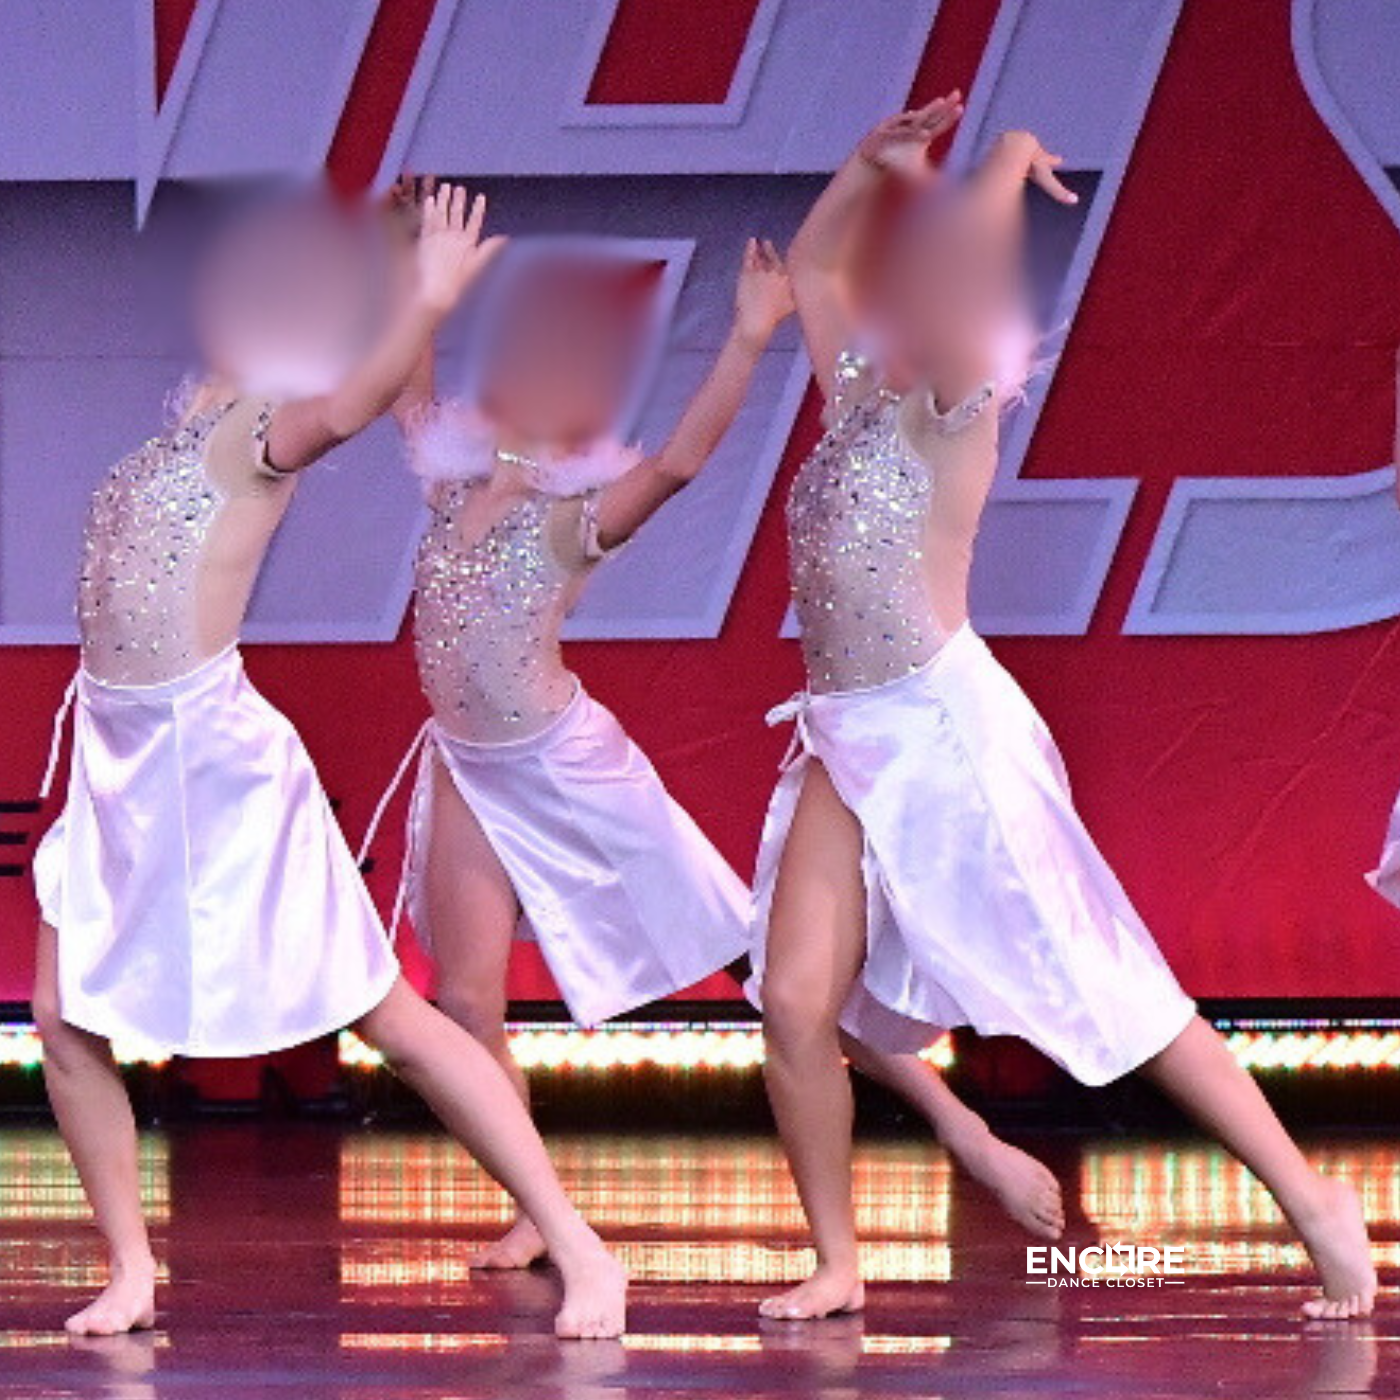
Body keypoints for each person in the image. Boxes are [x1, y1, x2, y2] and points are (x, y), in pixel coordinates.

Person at [749, 96, 1377, 1322]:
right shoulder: (858, 394)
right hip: (840, 731)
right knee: (788, 1002)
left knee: (1102, 981)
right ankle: (837, 1256)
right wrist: (869, 164)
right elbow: (821, 261)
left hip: (941, 731)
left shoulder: (956, 415)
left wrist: (990, 174)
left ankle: (1313, 1202)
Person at [30, 184, 626, 1341]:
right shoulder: (171, 438)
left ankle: (577, 1238)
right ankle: (133, 1268)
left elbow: (355, 399)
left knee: (388, 1014)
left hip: (216, 764)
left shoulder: (266, 428)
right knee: (62, 1016)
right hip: (114, 754)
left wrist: (425, 291)